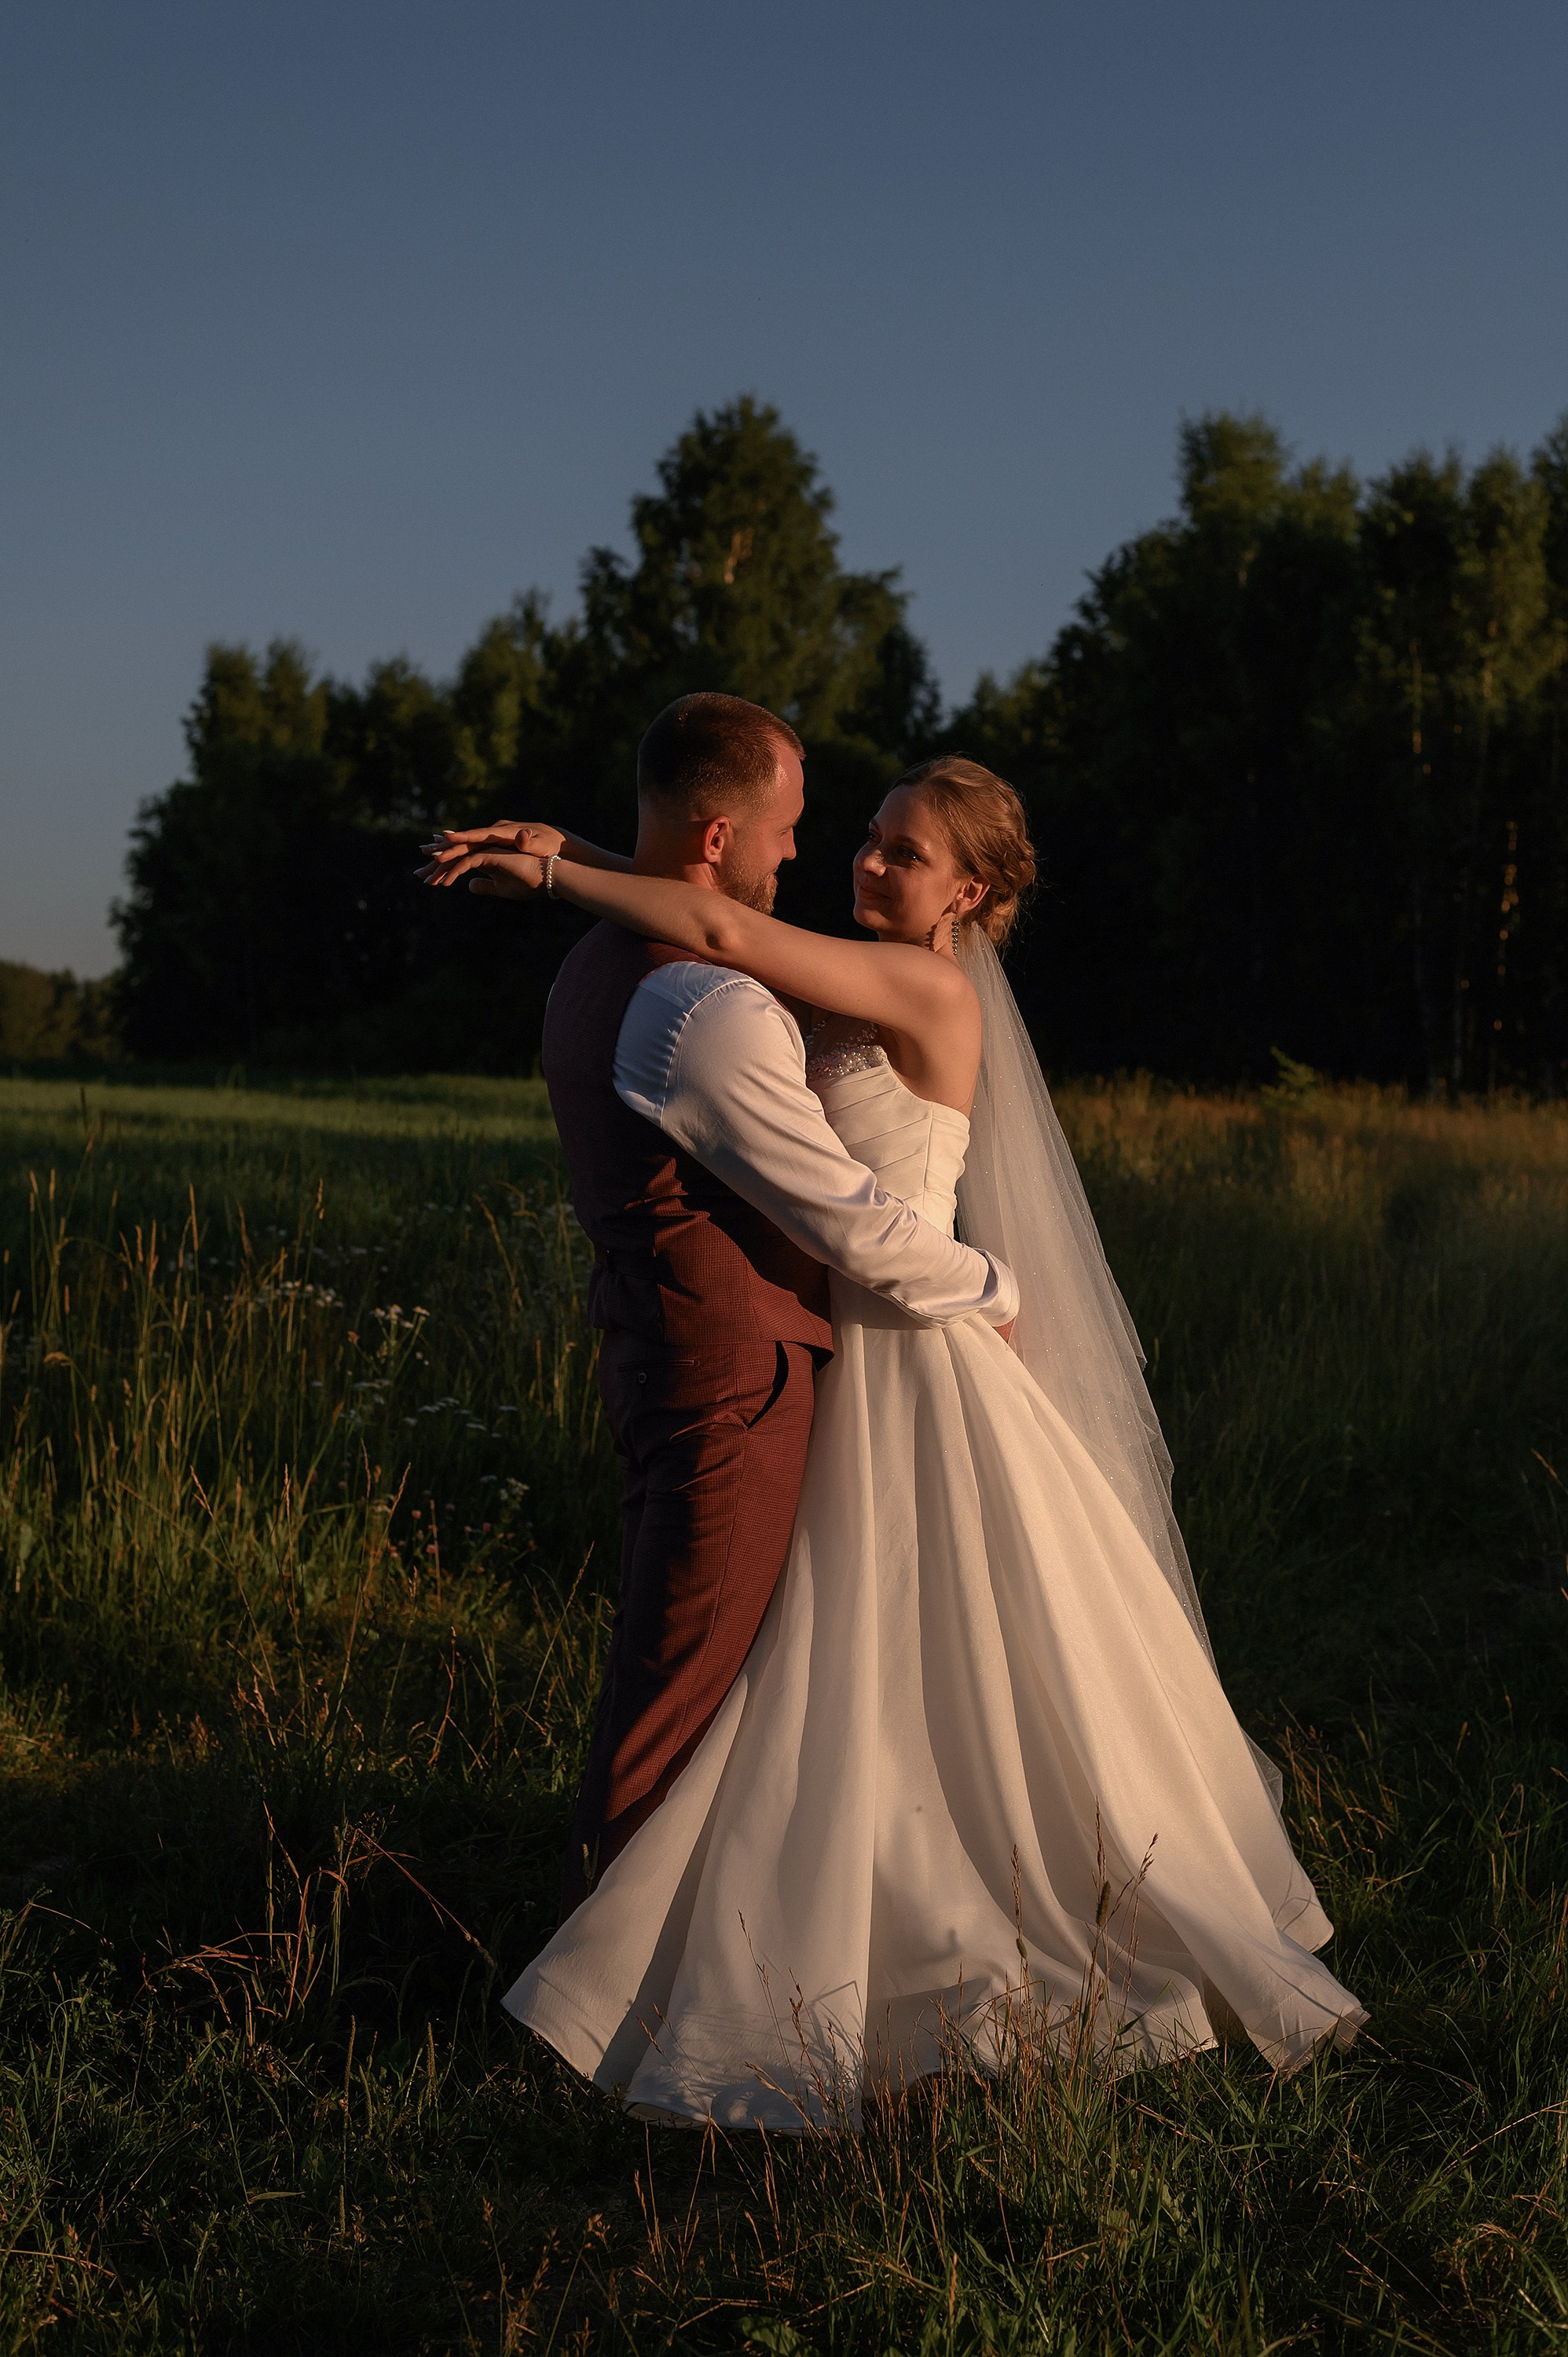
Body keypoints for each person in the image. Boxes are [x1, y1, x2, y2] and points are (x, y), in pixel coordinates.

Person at [421, 737, 1366, 2130]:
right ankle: (851, 1898)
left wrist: (562, 866)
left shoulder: (926, 987)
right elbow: (719, 910)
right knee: (857, 1655)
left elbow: (725, 920)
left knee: (935, 1644)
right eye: (864, 834)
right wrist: (586, 852)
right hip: (853, 1349)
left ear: (969, 899)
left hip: (917, 1348)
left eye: (902, 852)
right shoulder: (862, 956)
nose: (865, 862)